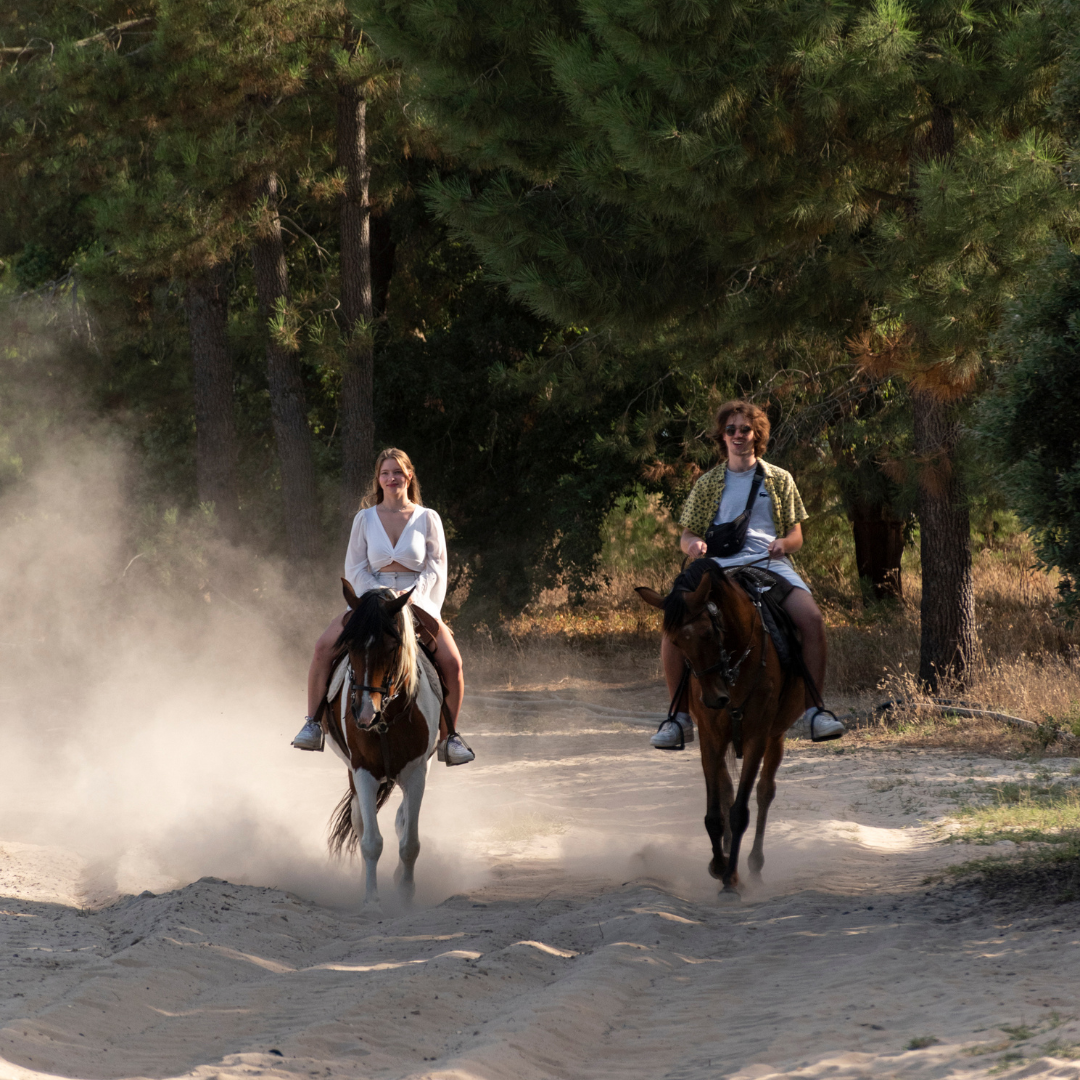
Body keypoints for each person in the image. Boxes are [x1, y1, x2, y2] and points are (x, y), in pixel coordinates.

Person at [652, 400, 845, 748]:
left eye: (745, 429)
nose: (738, 435)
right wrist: (693, 546)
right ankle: (678, 718)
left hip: (768, 566)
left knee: (812, 620)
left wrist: (783, 545)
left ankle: (817, 711)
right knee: (673, 626)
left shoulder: (780, 479)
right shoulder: (708, 484)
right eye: (731, 430)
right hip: (717, 570)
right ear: (722, 437)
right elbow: (687, 535)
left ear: (757, 435)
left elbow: (796, 535)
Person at [291, 448, 475, 765]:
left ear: (409, 476)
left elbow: (436, 566)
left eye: (397, 472)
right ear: (379, 479)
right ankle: (312, 724)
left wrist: (412, 594)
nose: (392, 478)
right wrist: (377, 594)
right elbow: (356, 568)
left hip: (416, 599)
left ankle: (449, 739)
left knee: (453, 664)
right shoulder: (364, 519)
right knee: (323, 647)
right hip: (372, 599)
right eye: (385, 473)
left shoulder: (428, 518)